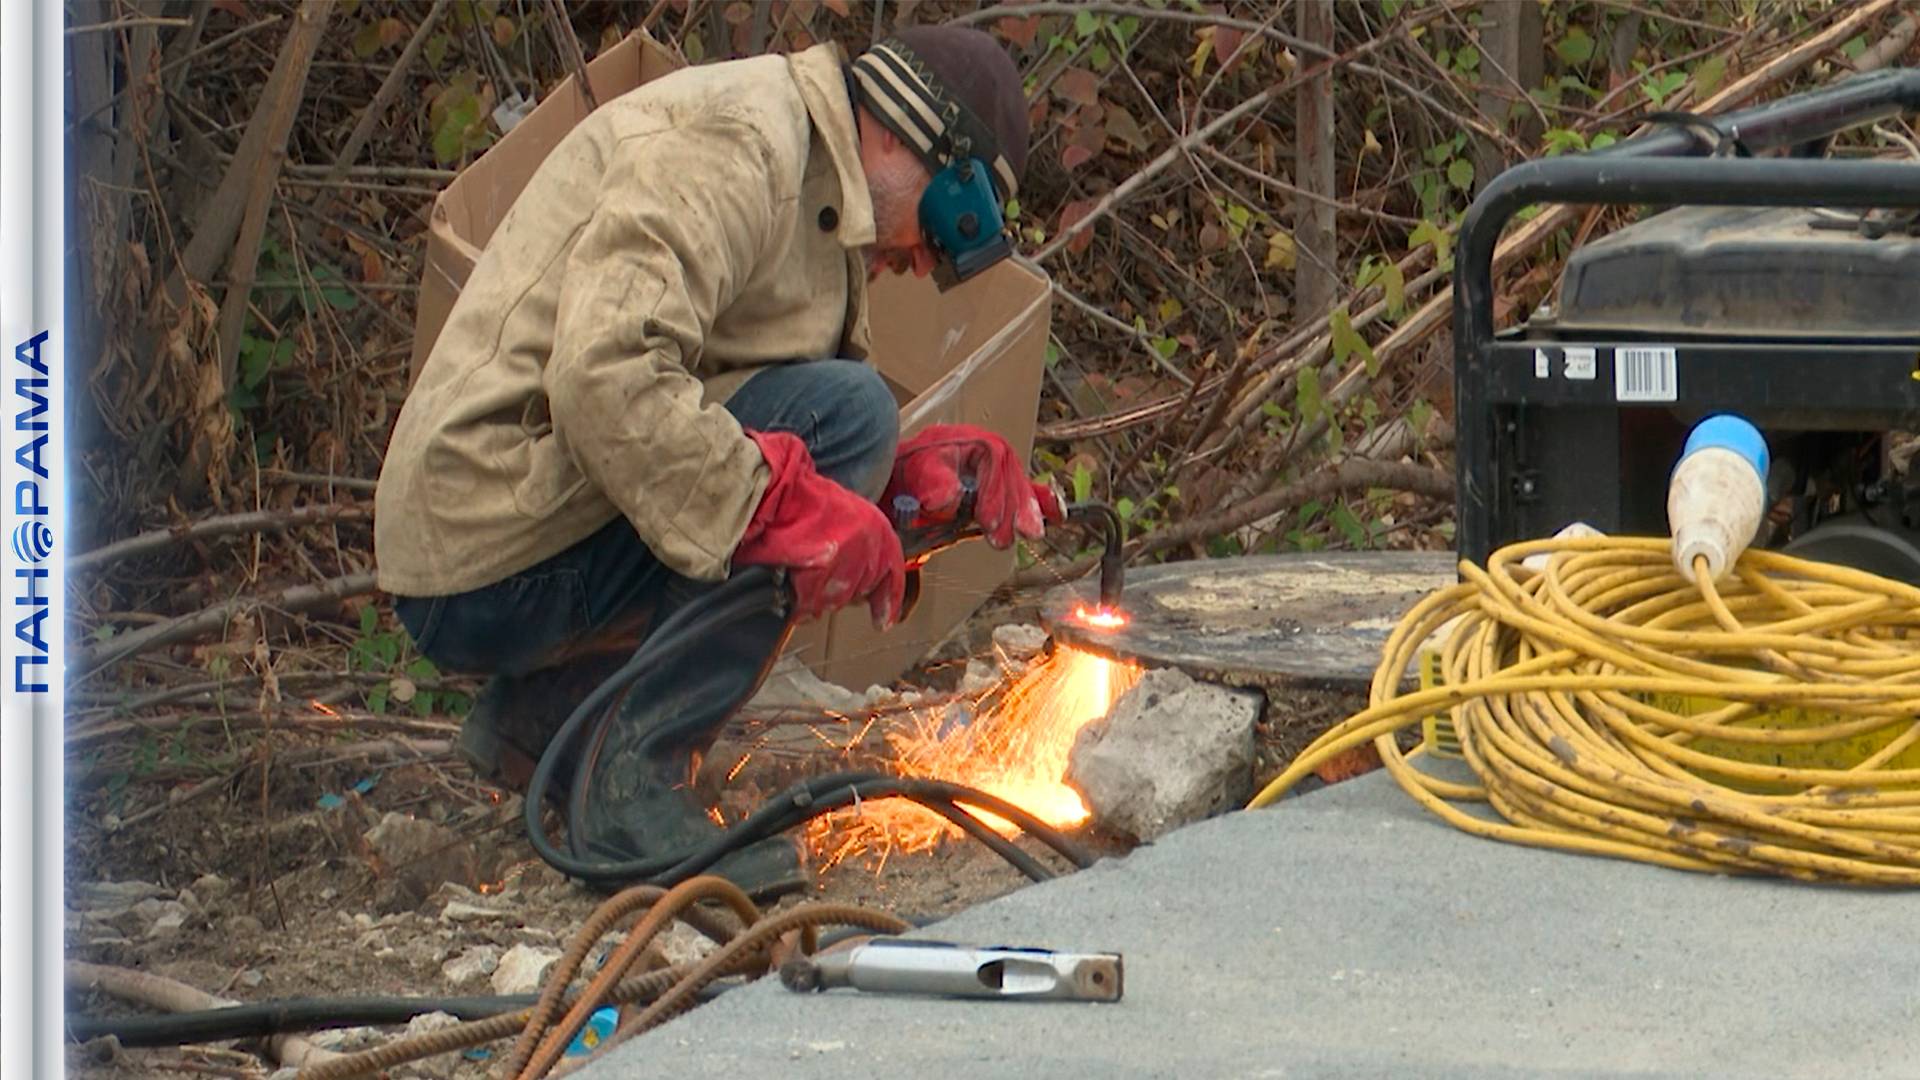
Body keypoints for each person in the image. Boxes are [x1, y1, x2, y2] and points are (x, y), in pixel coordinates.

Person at [373, 26, 1056, 898]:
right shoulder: (744, 143)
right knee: (848, 421)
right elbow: (604, 375)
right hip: (481, 545)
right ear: (900, 133)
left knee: (851, 431)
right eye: (945, 222)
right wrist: (789, 497)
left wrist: (901, 487)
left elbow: (739, 412)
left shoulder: (817, 198)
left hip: (530, 522)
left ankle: (554, 721)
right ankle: (628, 788)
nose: (925, 261)